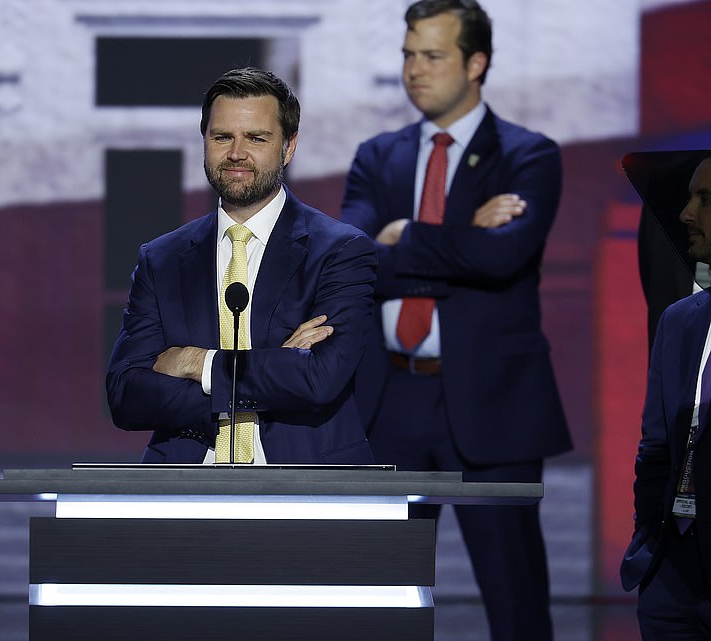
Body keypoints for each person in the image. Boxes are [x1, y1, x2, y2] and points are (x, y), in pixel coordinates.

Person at [339, 1, 572, 639]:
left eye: (433, 56)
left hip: (493, 405)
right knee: (375, 604)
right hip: (389, 402)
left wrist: (406, 236)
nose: (415, 70)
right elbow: (355, 267)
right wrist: (459, 234)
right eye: (408, 54)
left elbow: (502, 258)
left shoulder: (528, 155)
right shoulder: (376, 157)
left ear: (476, 63)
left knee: (516, 606)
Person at [106, 67, 377, 465]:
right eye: (222, 137)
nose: (236, 153)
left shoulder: (340, 251)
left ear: (288, 147)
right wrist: (274, 369)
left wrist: (195, 362)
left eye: (256, 138)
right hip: (184, 485)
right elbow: (126, 394)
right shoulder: (161, 259)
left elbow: (319, 378)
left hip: (309, 486)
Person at [622, 155, 711, 638]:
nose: (685, 214)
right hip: (670, 574)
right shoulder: (680, 320)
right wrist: (650, 536)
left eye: (706, 200)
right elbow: (655, 446)